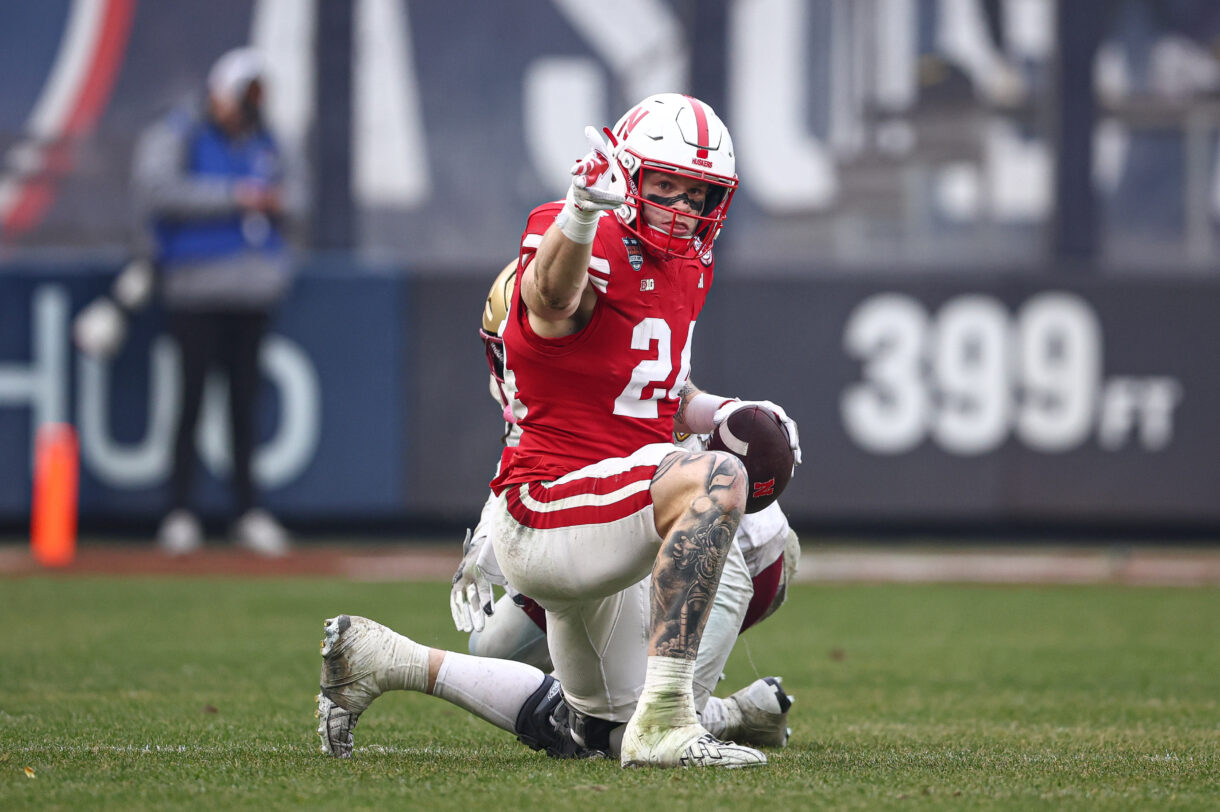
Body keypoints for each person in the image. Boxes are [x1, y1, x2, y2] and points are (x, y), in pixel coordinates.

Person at [317, 94, 801, 768]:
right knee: (715, 480)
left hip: (615, 504)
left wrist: (721, 414)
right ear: (625, 177)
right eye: (665, 187)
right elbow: (551, 299)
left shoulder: (689, 263)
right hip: (553, 502)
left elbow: (654, 388)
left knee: (600, 734)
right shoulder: (578, 236)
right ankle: (686, 715)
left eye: (699, 194)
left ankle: (386, 659)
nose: (683, 209)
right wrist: (579, 213)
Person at [452, 259, 802, 749]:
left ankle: (702, 713)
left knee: (633, 722)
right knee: (493, 647)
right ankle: (724, 712)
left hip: (729, 550)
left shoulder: (618, 363)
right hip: (624, 526)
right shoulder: (531, 373)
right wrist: (493, 529)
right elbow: (530, 456)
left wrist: (727, 412)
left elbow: (664, 442)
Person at [131, 47, 302, 557]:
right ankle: (180, 510)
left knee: (245, 407)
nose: (246, 108)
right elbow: (156, 190)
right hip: (195, 291)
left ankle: (247, 511)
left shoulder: (268, 139)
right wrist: (236, 195)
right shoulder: (181, 132)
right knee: (189, 402)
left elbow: (298, 196)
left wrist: (277, 257)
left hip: (251, 294)